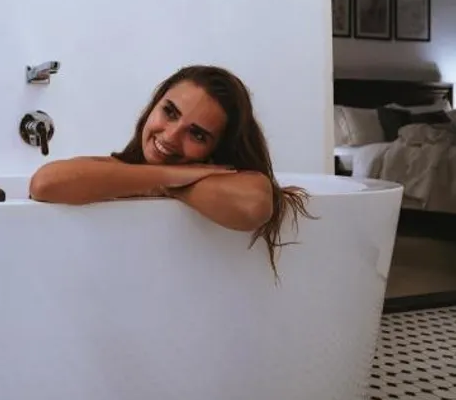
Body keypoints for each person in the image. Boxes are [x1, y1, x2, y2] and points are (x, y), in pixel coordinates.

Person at [28, 65, 314, 280]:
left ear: (218, 149)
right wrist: (169, 177)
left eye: (197, 134)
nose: (171, 136)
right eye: (170, 112)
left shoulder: (228, 184)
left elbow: (253, 206)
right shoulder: (115, 169)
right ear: (154, 105)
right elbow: (44, 183)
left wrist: (168, 182)